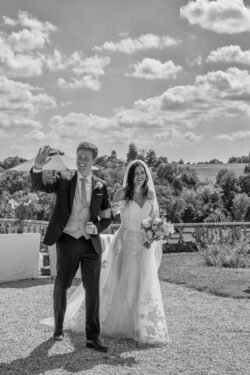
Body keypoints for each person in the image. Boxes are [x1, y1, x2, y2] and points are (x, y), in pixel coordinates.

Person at [52, 159, 169, 344]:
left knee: (142, 281)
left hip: (144, 245)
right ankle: (117, 322)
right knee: (120, 279)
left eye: (142, 173)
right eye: (136, 173)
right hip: (124, 242)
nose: (140, 176)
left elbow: (155, 218)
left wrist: (153, 235)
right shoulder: (122, 193)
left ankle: (141, 323)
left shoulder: (151, 194)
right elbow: (107, 214)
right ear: (130, 176)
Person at [31, 142, 111, 352]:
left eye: (86, 157)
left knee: (92, 291)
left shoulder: (101, 186)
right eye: (80, 156)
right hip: (67, 240)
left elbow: (108, 216)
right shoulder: (64, 178)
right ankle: (58, 327)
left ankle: (93, 337)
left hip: (90, 244)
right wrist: (38, 168)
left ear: (94, 160)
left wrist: (98, 228)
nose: (82, 160)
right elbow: (40, 186)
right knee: (62, 285)